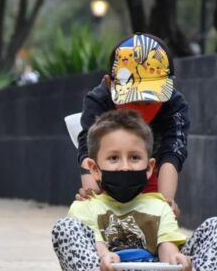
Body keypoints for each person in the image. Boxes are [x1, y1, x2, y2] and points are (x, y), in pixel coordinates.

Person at [52, 110, 217, 271]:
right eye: (114, 158)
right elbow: (95, 245)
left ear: (149, 167)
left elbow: (167, 246)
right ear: (95, 168)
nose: (125, 167)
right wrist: (104, 257)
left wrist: (176, 266)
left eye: (134, 158)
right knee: (65, 227)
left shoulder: (158, 206)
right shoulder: (86, 206)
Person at [76, 33, 190, 218]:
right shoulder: (99, 100)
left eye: (150, 102)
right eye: (133, 101)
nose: (141, 112)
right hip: (109, 171)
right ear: (110, 84)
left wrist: (165, 205)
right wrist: (92, 196)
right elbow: (87, 148)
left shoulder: (173, 104)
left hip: (153, 169)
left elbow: (173, 151)